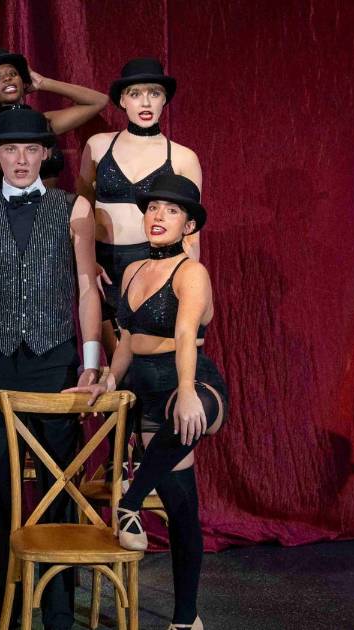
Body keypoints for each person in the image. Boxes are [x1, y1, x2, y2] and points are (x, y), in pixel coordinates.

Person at [0, 109, 102, 630]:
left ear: (44, 154)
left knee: (60, 479)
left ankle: (58, 606)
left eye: (30, 149)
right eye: (10, 150)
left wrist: (90, 361)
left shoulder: (74, 208)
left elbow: (85, 287)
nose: (19, 159)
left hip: (53, 356)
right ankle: (10, 606)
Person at [66, 174, 224, 630]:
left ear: (189, 226)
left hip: (192, 381)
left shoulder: (192, 272)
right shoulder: (133, 270)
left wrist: (189, 391)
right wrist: (109, 379)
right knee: (181, 506)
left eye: (171, 211)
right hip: (147, 388)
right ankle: (185, 618)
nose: (158, 216)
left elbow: (184, 336)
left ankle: (129, 502)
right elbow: (129, 341)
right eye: (154, 208)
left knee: (183, 419)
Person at [77, 58, 203, 358]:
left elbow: (191, 231)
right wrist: (86, 262)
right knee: (111, 363)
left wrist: (181, 280)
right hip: (102, 267)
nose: (145, 102)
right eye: (135, 94)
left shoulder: (184, 157)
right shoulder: (98, 146)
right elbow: (81, 208)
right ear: (122, 100)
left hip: (154, 263)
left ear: (165, 100)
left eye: (154, 93)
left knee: (147, 357)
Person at [0, 48, 107, 194]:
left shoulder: (43, 122)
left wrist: (42, 82)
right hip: (16, 215)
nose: (7, 78)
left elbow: (99, 101)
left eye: (13, 74)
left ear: (23, 82)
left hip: (54, 211)